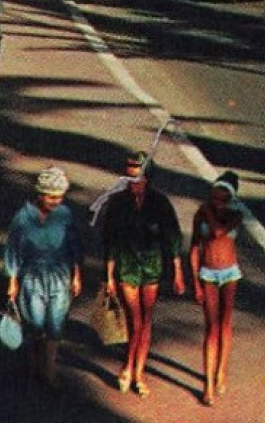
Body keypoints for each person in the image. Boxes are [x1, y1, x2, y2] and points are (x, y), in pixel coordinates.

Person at [100, 150, 186, 397]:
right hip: (127, 265)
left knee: (146, 320)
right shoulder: (117, 203)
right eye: (129, 180)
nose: (133, 185)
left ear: (147, 178)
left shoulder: (160, 203)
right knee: (134, 320)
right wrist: (109, 276)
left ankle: (138, 373)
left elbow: (172, 237)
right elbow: (110, 241)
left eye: (137, 180)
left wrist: (178, 272)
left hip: (151, 265)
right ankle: (127, 366)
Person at [4, 167, 84, 389]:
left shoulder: (65, 216)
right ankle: (33, 364)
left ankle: (49, 370)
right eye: (51, 196)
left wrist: (76, 275)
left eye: (59, 197)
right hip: (32, 277)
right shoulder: (23, 218)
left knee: (55, 323)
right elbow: (13, 249)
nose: (55, 201)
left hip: (59, 276)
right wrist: (12, 280)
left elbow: (73, 247)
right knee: (35, 322)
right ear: (40, 194)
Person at [189, 172, 243, 406]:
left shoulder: (234, 215)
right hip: (208, 273)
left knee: (225, 323)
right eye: (214, 198)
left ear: (230, 199)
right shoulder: (200, 215)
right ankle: (208, 384)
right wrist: (195, 281)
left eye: (223, 199)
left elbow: (218, 232)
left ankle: (220, 370)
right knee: (211, 327)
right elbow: (194, 248)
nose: (218, 203)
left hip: (229, 272)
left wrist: (208, 211)